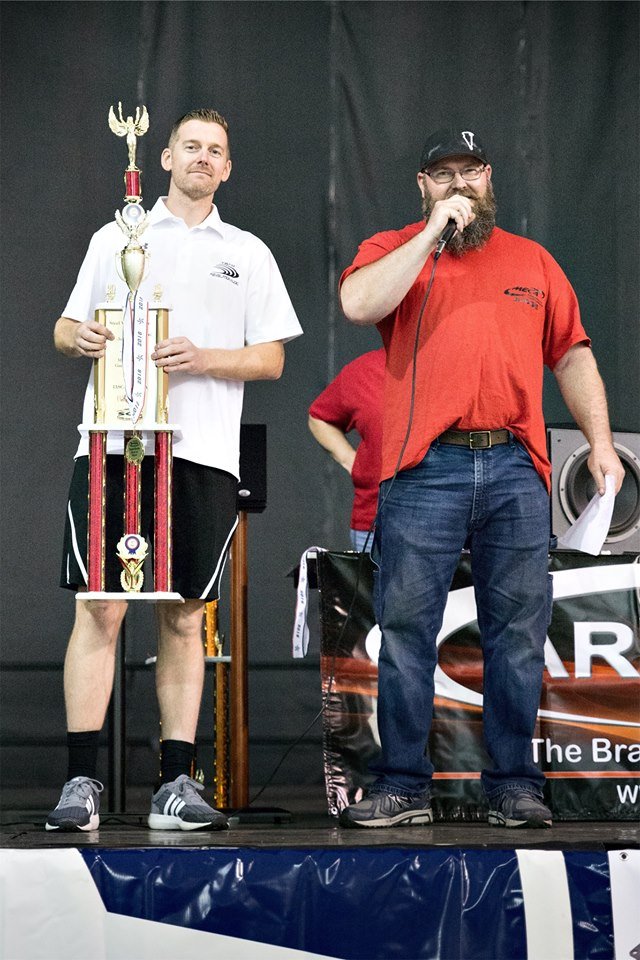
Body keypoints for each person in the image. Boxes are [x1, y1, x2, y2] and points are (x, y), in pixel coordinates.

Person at [338, 127, 624, 829]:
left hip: (514, 465)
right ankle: (403, 786)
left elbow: (573, 354)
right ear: (423, 185)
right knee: (406, 631)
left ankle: (514, 786)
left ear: (490, 178)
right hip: (422, 467)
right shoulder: (394, 247)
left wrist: (600, 443)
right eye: (443, 174)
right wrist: (431, 234)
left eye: (470, 172)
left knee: (517, 634)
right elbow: (359, 304)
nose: (459, 184)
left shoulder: (532, 260)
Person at [47, 109, 302, 832]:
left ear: (228, 168)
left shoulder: (247, 252)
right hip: (112, 444)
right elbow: (64, 328)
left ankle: (174, 785)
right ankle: (81, 783)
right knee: (100, 606)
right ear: (164, 157)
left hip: (202, 453)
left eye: (216, 150)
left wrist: (204, 357)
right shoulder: (116, 237)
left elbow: (272, 358)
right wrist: (79, 337)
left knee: (186, 615)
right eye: (191, 146)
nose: (203, 157)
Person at [308, 347, 385, 551]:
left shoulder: (450, 365)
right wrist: (353, 462)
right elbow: (320, 417)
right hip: (373, 521)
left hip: (448, 521)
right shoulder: (365, 369)